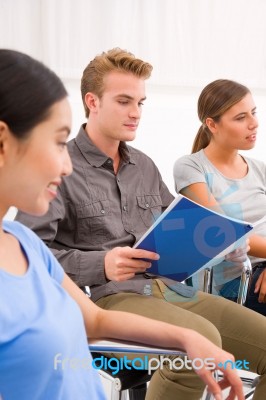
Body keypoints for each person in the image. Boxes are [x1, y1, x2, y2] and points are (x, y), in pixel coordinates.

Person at [15, 49, 266, 400]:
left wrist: (220, 240)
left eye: (140, 103)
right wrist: (100, 264)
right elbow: (27, 255)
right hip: (107, 300)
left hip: (170, 291)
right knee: (200, 343)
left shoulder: (144, 166)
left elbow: (177, 227)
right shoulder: (61, 166)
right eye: (124, 101)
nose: (135, 113)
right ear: (93, 102)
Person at [173, 78, 266, 316]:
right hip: (236, 283)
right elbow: (225, 233)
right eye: (240, 117)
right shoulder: (191, 167)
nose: (254, 123)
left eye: (253, 112)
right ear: (212, 124)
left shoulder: (260, 170)